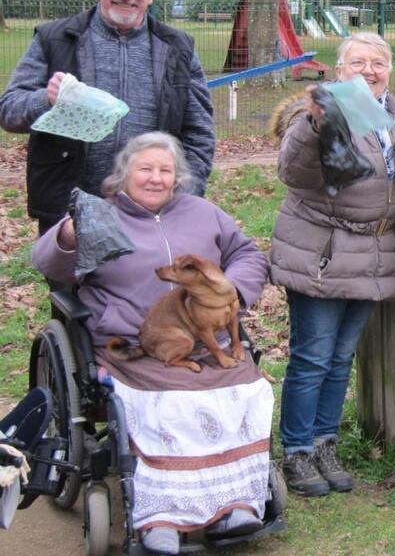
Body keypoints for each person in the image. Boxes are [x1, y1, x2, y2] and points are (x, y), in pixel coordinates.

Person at [31, 132, 271, 554]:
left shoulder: (203, 212)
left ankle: (233, 504)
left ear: (177, 177)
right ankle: (160, 517)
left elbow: (248, 254)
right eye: (145, 169)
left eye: (166, 170)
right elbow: (49, 265)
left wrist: (230, 291)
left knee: (245, 390)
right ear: (123, 176)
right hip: (128, 340)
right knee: (168, 402)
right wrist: (68, 236)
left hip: (206, 337)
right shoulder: (101, 216)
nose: (156, 178)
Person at [270, 33, 395, 496]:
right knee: (312, 357)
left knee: (339, 359)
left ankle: (324, 441)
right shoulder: (319, 112)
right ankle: (296, 450)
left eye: (379, 62)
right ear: (339, 71)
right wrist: (316, 125)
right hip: (323, 252)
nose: (369, 70)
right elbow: (293, 172)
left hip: (373, 255)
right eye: (358, 62)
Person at [0, 0, 215, 235]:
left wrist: (185, 195)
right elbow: (9, 111)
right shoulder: (55, 39)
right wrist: (46, 99)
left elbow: (199, 131)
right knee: (72, 282)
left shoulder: (178, 48)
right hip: (71, 209)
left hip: (152, 212)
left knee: (148, 282)